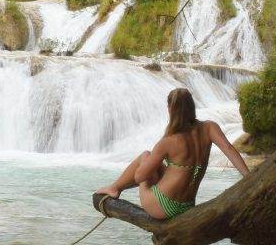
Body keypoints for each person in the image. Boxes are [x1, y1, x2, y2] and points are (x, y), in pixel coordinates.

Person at [94, 88, 250, 220]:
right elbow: (229, 150)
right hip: (187, 206)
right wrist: (249, 178)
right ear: (192, 106)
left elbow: (139, 177)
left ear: (170, 109)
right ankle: (116, 187)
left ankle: (115, 188)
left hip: (162, 206)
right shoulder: (210, 127)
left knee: (145, 156)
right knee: (157, 165)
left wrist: (151, 159)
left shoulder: (169, 141)